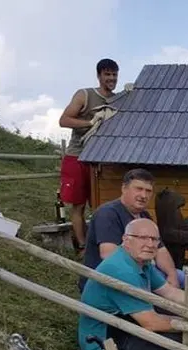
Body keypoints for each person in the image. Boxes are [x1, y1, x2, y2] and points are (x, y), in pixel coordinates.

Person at [78, 218, 188, 350]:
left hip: (119, 326)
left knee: (171, 320)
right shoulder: (121, 270)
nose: (150, 244)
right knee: (171, 341)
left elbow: (169, 292)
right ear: (126, 240)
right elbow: (152, 323)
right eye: (143, 238)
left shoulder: (140, 262)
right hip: (104, 348)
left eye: (154, 239)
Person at [78, 168, 184, 292]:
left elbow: (160, 249)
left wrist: (172, 275)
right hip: (107, 279)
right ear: (124, 188)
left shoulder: (144, 216)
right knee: (163, 287)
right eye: (138, 189)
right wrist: (145, 274)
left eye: (148, 191)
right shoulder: (108, 214)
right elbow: (108, 254)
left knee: (181, 277)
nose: (143, 195)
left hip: (140, 270)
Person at [58, 58, 119, 254]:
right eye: (107, 74)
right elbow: (64, 120)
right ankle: (83, 247)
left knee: (101, 203)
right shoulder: (85, 95)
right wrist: (91, 122)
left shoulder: (117, 99)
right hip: (78, 156)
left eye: (114, 74)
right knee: (78, 205)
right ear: (99, 75)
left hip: (101, 158)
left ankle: (100, 245)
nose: (111, 78)